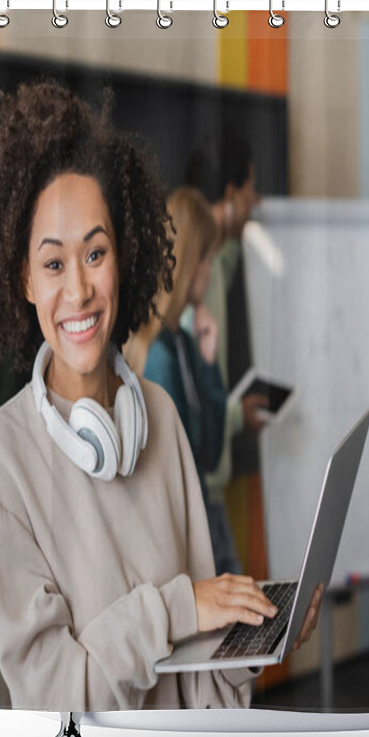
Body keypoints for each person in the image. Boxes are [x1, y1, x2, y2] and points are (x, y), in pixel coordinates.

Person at [0, 81, 317, 711]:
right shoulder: (3, 455)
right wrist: (177, 606)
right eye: (53, 264)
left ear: (123, 257)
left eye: (96, 252)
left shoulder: (162, 419)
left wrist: (254, 645)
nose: (80, 290)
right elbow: (54, 702)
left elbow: (200, 674)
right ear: (24, 280)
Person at [126, 186, 240, 575]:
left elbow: (211, 452)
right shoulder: (158, 354)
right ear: (189, 260)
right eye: (207, 258)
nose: (210, 271)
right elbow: (182, 467)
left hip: (201, 520)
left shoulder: (184, 344)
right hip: (180, 539)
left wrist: (209, 364)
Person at [181, 138, 266, 571]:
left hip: (209, 491)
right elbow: (189, 410)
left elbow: (228, 250)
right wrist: (236, 416)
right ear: (230, 195)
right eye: (249, 189)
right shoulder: (194, 287)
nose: (255, 200)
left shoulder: (216, 262)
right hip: (197, 497)